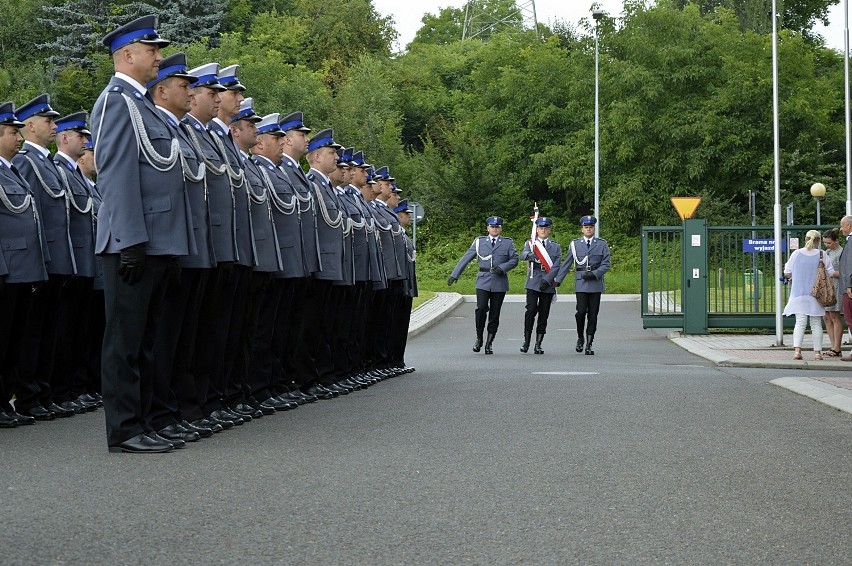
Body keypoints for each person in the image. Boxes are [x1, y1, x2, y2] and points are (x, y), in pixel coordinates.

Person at [91, 15, 196, 453]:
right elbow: (115, 177)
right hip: (133, 242)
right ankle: (126, 430)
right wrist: (131, 240)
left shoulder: (142, 104)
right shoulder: (117, 102)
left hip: (155, 241)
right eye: (152, 51)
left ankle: (150, 419)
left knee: (149, 339)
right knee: (126, 342)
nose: (158, 57)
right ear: (128, 55)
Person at [0, 102, 46, 428]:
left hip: (23, 268)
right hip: (8, 268)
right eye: (12, 132)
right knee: (2, 341)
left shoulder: (11, 170)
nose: (18, 138)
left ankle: (6, 401)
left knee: (15, 341)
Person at [448, 216, 519, 354]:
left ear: (501, 228)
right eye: (492, 227)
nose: (494, 229)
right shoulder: (479, 242)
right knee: (481, 309)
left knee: (494, 313)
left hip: (499, 282)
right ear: (488, 228)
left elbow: (515, 259)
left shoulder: (507, 243)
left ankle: (489, 342)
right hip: (483, 280)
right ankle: (479, 338)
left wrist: (503, 267)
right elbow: (467, 257)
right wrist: (455, 274)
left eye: (497, 227)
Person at [542, 215, 611, 355]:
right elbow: (567, 263)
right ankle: (580, 337)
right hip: (581, 282)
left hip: (595, 283)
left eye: (591, 227)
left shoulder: (602, 244)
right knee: (580, 312)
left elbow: (606, 264)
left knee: (593, 314)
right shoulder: (575, 244)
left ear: (594, 229)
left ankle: (589, 343)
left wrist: (595, 274)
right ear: (582, 229)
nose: (588, 229)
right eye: (586, 227)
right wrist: (558, 280)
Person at [782, 229, 834, 361]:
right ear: (818, 241)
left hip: (798, 293)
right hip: (816, 294)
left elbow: (787, 271)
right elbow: (831, 272)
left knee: (800, 322)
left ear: (805, 239)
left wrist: (795, 276)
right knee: (816, 323)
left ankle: (797, 351)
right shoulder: (822, 254)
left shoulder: (796, 254)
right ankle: (817, 353)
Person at [520, 217, 561, 354]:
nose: (543, 230)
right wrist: (529, 255)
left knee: (544, 314)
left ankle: (538, 344)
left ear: (549, 230)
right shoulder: (531, 244)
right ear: (536, 230)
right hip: (533, 281)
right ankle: (526, 341)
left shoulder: (555, 246)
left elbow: (556, 266)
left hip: (547, 283)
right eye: (541, 228)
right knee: (530, 310)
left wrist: (548, 280)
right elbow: (523, 254)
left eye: (546, 228)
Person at [821, 228, 844, 357]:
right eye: (825, 242)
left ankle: (837, 347)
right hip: (827, 286)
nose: (827, 245)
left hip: (836, 286)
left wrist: (833, 273)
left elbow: (845, 272)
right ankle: (832, 345)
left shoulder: (842, 252)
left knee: (835, 316)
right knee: (826, 317)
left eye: (829, 243)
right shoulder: (827, 252)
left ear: (836, 241)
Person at [838, 216, 852, 360]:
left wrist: (849, 285)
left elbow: (849, 265)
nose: (841, 229)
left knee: (850, 319)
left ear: (849, 226)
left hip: (849, 288)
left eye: (842, 226)